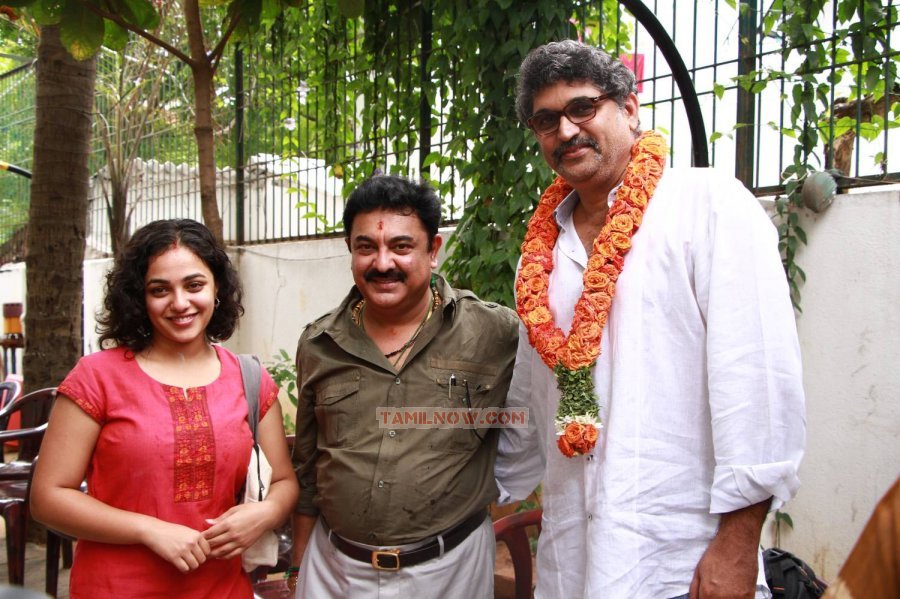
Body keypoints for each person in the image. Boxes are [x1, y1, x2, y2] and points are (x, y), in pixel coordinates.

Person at [495, 40, 806, 599]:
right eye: (546, 121)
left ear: (630, 109)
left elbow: (756, 381)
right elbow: (531, 398)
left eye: (582, 108)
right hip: (574, 558)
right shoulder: (538, 255)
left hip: (681, 556)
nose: (565, 131)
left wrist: (736, 546)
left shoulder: (707, 206)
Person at [31, 219, 298, 598]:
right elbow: (48, 497)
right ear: (139, 296)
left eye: (194, 285)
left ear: (217, 288)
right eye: (160, 289)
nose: (180, 303)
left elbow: (285, 482)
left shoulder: (249, 379)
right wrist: (149, 529)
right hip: (114, 588)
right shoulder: (97, 378)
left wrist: (265, 514)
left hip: (222, 589)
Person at [289, 175, 519, 597]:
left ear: (433, 251)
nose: (382, 263)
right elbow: (306, 466)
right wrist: (298, 564)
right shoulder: (319, 343)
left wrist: (502, 490)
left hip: (450, 571)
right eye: (366, 247)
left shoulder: (494, 333)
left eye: (401, 246)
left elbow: (535, 423)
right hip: (334, 572)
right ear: (350, 251)